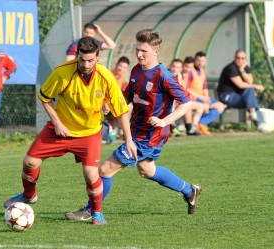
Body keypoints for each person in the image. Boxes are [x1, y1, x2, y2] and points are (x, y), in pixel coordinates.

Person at [65, 29, 202, 222]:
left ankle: (90, 210)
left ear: (156, 51)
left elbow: (186, 103)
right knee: (147, 170)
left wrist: (164, 121)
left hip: (149, 135)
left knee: (105, 169)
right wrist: (109, 105)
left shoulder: (164, 76)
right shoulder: (137, 69)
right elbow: (126, 96)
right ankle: (190, 190)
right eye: (137, 50)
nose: (139, 54)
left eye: (144, 51)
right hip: (138, 129)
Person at [3, 37, 137, 226]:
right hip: (61, 129)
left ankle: (96, 212)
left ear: (97, 57)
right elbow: (45, 97)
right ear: (77, 56)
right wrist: (57, 123)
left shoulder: (106, 77)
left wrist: (129, 140)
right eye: (82, 59)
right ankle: (28, 195)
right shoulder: (63, 72)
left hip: (89, 133)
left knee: (91, 174)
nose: (86, 64)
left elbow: (122, 111)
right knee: (29, 162)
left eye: (91, 60)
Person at [217, 50, 264, 129]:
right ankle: (257, 120)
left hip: (237, 96)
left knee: (250, 92)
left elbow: (249, 81)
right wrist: (256, 86)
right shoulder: (230, 68)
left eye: (242, 58)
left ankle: (253, 115)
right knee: (251, 97)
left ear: (245, 59)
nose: (240, 60)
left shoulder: (245, 68)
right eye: (238, 58)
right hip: (226, 96)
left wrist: (242, 71)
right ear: (234, 58)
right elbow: (240, 85)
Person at [186, 51, 226, 135]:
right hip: (195, 98)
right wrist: (202, 99)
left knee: (221, 106)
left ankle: (201, 123)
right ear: (194, 60)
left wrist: (206, 98)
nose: (201, 63)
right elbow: (187, 88)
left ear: (205, 61)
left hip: (202, 98)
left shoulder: (203, 71)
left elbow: (204, 87)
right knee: (216, 106)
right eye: (198, 60)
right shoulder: (190, 71)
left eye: (203, 61)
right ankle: (199, 124)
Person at [181, 56, 205, 135]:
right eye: (186, 66)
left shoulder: (188, 75)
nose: (188, 69)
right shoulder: (179, 74)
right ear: (183, 65)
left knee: (200, 106)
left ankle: (193, 126)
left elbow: (186, 89)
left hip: (183, 100)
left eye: (190, 67)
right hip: (178, 100)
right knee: (188, 104)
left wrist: (191, 96)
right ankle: (189, 128)